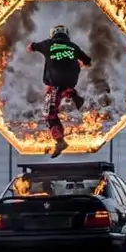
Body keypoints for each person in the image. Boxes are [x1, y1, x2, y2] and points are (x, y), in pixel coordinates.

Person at [26, 24, 92, 158]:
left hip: (56, 83)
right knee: (62, 89)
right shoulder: (73, 46)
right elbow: (88, 61)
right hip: (71, 81)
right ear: (67, 35)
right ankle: (72, 94)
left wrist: (31, 47)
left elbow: (31, 46)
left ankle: (60, 141)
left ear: (53, 34)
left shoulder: (48, 44)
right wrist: (79, 63)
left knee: (49, 113)